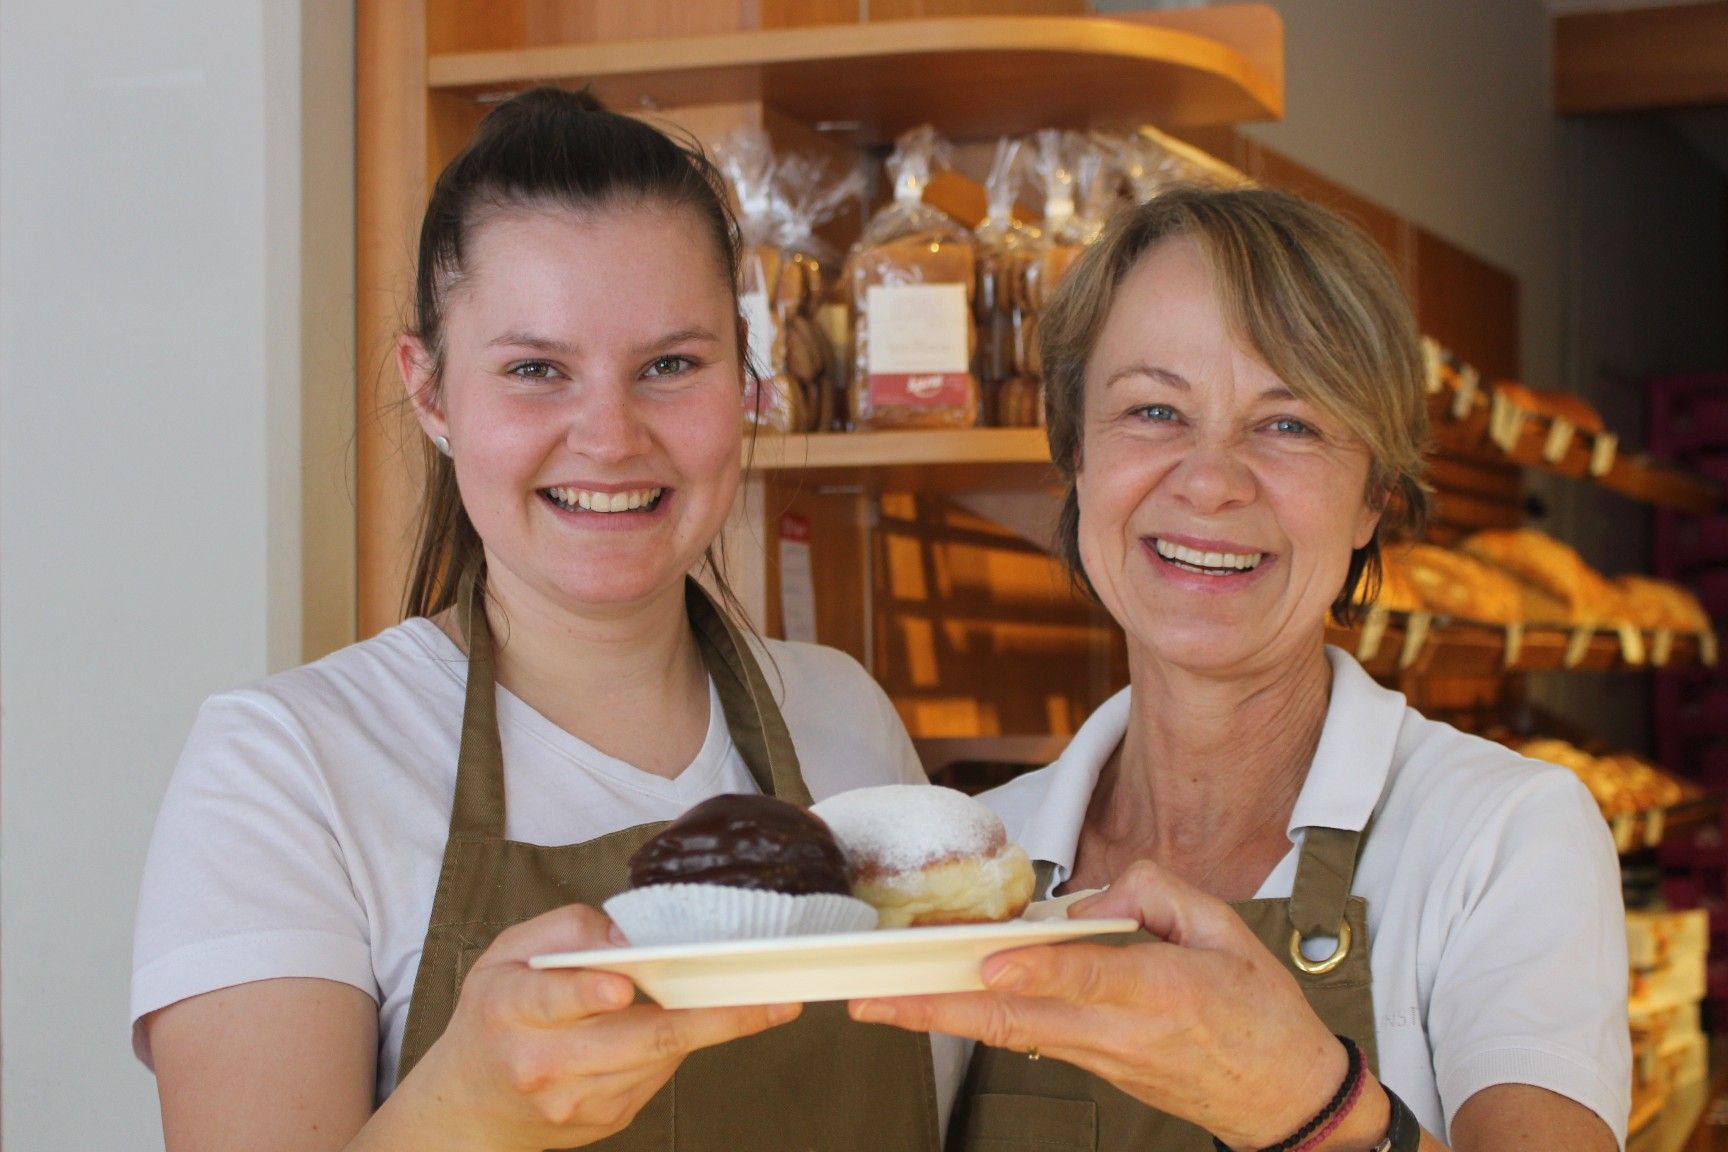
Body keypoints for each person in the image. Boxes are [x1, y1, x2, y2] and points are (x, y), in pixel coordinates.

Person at [131, 87, 963, 1151]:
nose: (610, 438)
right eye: (536, 371)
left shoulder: (847, 719)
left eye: (671, 365)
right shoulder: (289, 769)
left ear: (743, 382)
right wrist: (467, 1106)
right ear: (431, 393)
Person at [848, 186, 1630, 1151]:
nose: (1211, 479)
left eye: (1289, 424)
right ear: (1077, 460)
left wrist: (1308, 1105)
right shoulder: (985, 860)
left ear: (1374, 496)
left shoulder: (1499, 839)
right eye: (1154, 410)